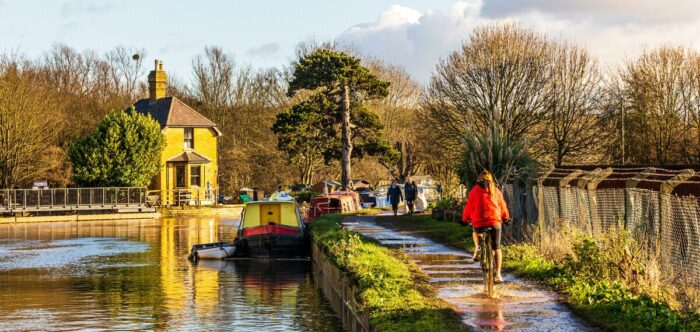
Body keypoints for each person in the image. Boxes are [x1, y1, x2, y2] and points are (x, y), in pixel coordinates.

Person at [461, 170, 510, 283]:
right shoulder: (496, 190)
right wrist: (506, 217)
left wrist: (465, 219)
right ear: (491, 179)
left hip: (479, 221)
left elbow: (469, 207)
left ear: (479, 179)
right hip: (495, 222)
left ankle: (478, 247)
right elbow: (502, 205)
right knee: (497, 248)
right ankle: (498, 274)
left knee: (475, 230)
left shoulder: (474, 190)